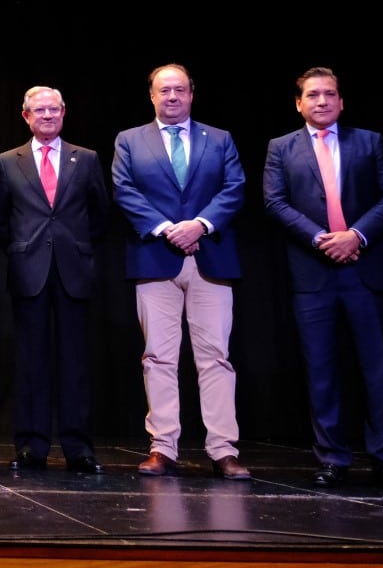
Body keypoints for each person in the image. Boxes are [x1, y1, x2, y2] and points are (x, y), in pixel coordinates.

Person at [261, 67, 383, 492]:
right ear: (299, 103)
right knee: (322, 370)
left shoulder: (370, 142)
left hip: (365, 269)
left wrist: (355, 235)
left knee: (378, 369)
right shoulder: (281, 147)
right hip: (313, 272)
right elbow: (273, 202)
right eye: (313, 95)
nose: (322, 101)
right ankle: (332, 458)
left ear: (341, 101)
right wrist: (319, 238)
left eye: (330, 94)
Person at [111, 63, 250, 480]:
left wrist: (200, 225)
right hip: (155, 257)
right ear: (151, 95)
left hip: (211, 258)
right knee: (158, 357)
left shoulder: (220, 139)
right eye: (163, 90)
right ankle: (163, 447)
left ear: (192, 94)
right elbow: (124, 189)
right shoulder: (130, 140)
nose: (172, 97)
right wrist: (167, 228)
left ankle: (223, 450)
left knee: (215, 359)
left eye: (179, 90)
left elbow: (234, 187)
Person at [0, 85, 109, 474]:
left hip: (74, 270)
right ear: (25, 116)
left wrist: (75, 246)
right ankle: (31, 446)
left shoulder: (87, 159)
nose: (47, 116)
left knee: (75, 362)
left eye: (53, 109)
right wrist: (23, 248)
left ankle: (79, 448)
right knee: (32, 362)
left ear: (64, 112)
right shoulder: (8, 161)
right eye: (39, 110)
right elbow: (0, 220)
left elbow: (100, 214)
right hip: (29, 271)